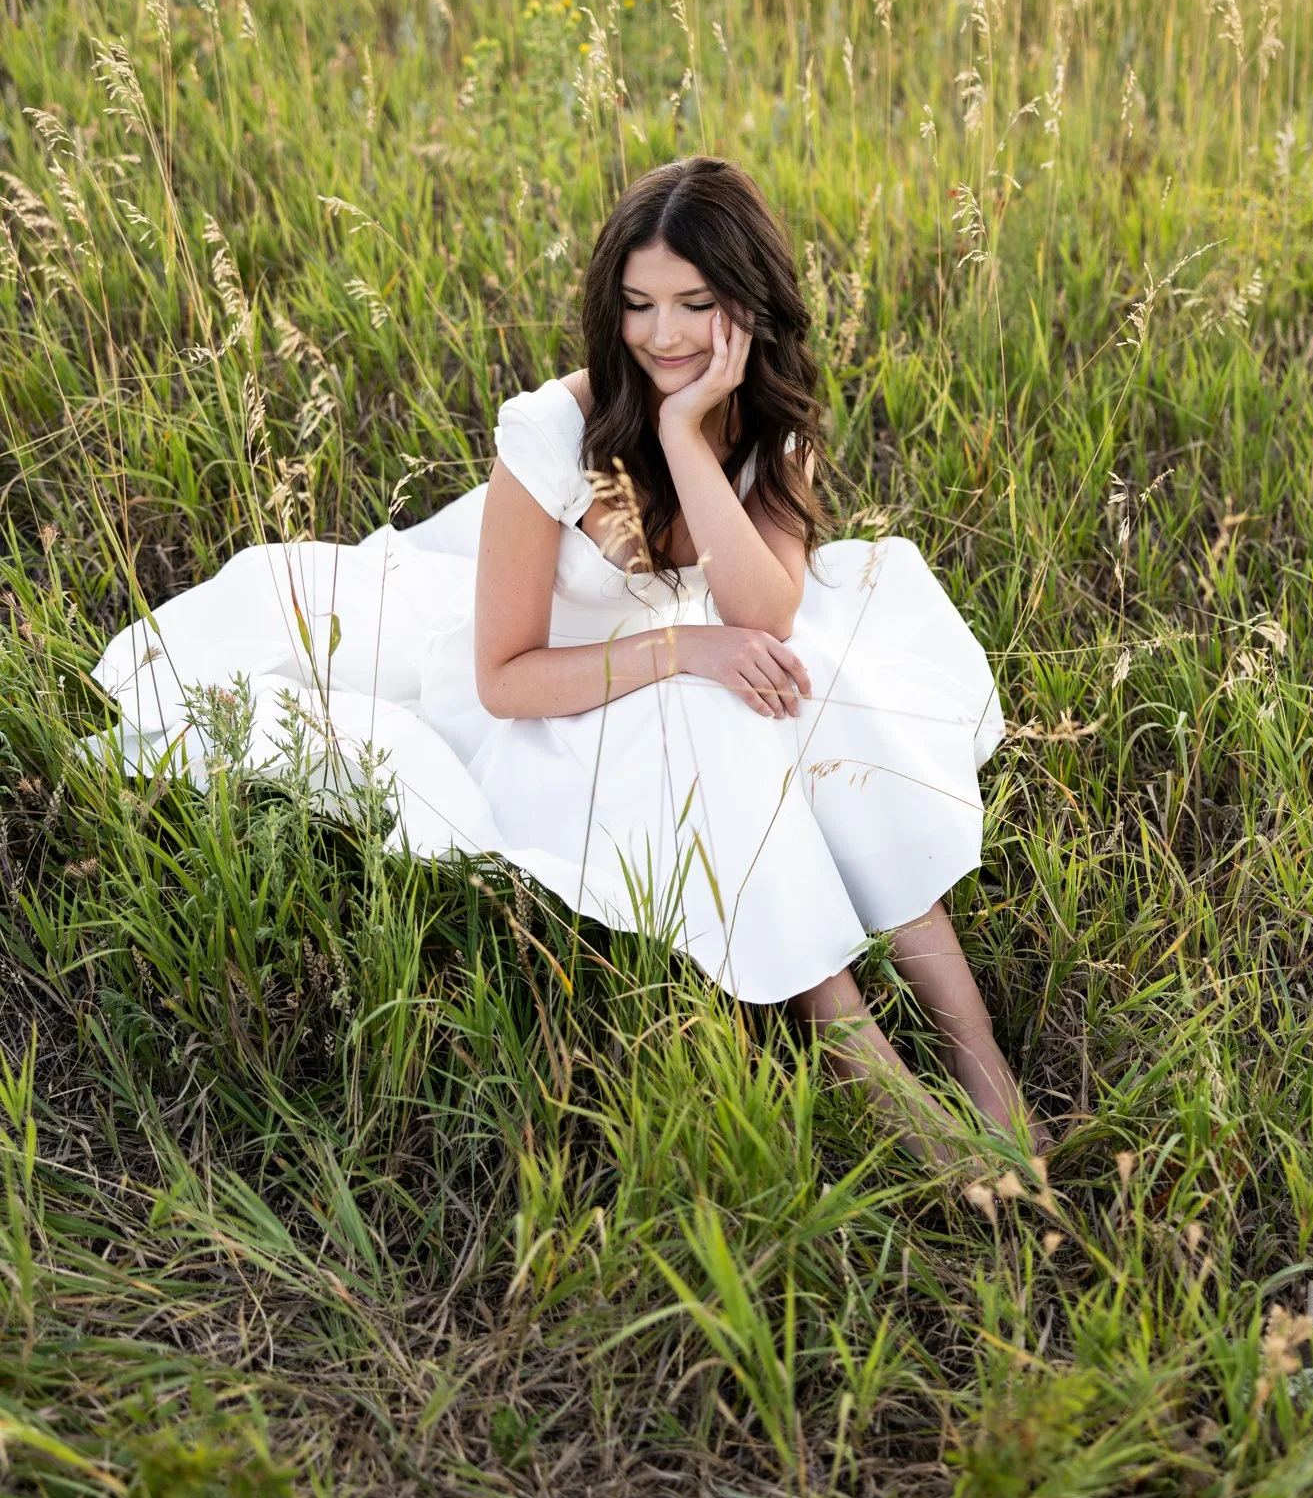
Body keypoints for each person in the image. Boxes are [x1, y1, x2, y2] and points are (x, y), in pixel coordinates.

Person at [91, 157, 1041, 1162]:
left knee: (823, 695)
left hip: (711, 658)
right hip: (554, 702)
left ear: (747, 308)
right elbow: (504, 675)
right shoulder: (549, 430)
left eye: (694, 304)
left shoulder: (764, 424)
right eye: (637, 305)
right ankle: (878, 1080)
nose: (663, 334)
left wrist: (685, 435)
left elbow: (769, 611)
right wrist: (682, 647)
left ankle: (985, 1068)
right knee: (727, 720)